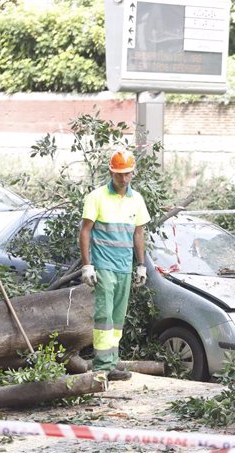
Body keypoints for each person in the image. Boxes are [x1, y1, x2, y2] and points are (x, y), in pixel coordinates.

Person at [79, 149, 151, 381]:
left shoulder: (136, 199)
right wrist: (87, 265)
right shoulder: (97, 197)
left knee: (117, 319)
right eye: (119, 174)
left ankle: (112, 363)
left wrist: (141, 265)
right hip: (104, 266)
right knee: (104, 317)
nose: (123, 178)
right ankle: (102, 366)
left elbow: (138, 234)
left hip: (123, 267)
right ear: (111, 171)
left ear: (133, 173)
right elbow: (85, 231)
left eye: (127, 174)